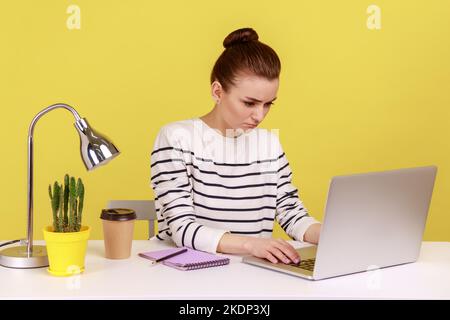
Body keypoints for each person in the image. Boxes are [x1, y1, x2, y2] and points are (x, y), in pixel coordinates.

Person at [150, 27, 322, 265]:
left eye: (268, 104)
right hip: (184, 272)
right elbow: (182, 229)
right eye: (249, 103)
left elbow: (291, 214)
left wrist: (330, 234)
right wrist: (251, 244)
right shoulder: (177, 138)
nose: (259, 115)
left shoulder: (268, 143)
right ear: (218, 91)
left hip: (249, 271)